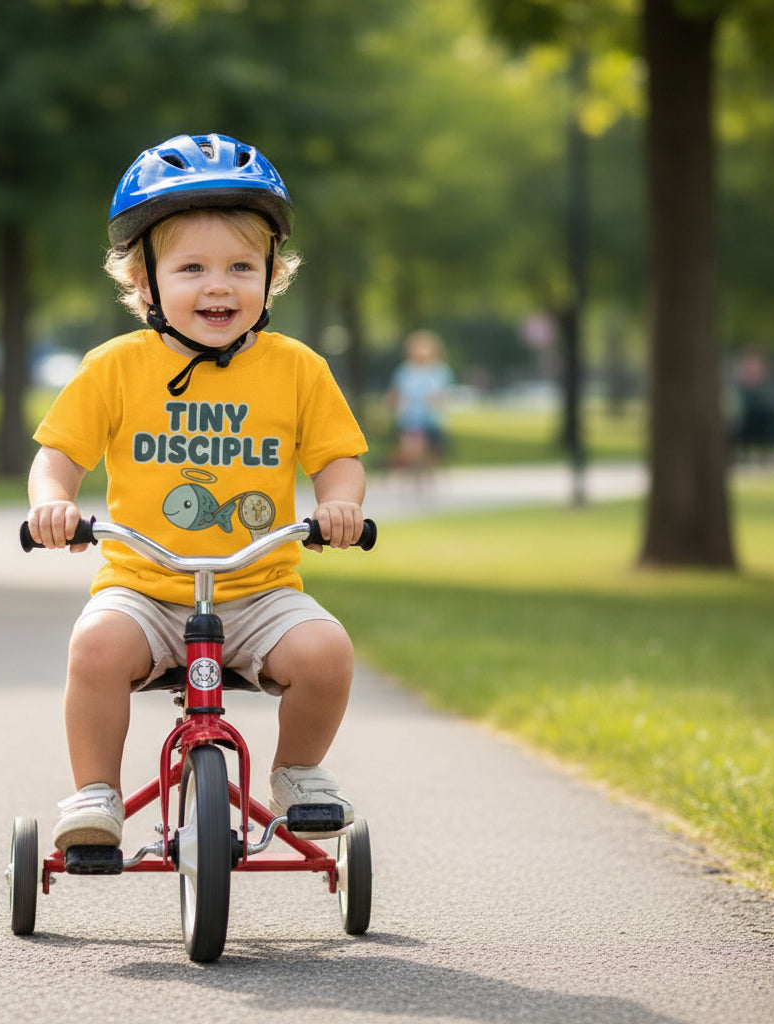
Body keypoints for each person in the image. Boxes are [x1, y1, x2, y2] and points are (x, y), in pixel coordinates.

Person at [25, 133, 368, 852]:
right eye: (192, 268)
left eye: (242, 266)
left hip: (260, 588)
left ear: (273, 275)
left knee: (327, 652)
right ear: (143, 281)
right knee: (93, 647)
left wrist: (341, 505)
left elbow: (338, 458)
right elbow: (57, 456)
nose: (219, 285)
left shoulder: (297, 369)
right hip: (144, 586)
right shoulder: (114, 368)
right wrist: (51, 503)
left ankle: (299, 772)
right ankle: (96, 795)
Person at [388, 329, 453, 474]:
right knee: (410, 448)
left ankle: (429, 473)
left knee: (434, 451)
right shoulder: (404, 371)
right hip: (410, 418)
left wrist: (437, 400)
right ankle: (411, 472)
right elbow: (395, 393)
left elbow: (444, 394)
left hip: (432, 418)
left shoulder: (440, 371)